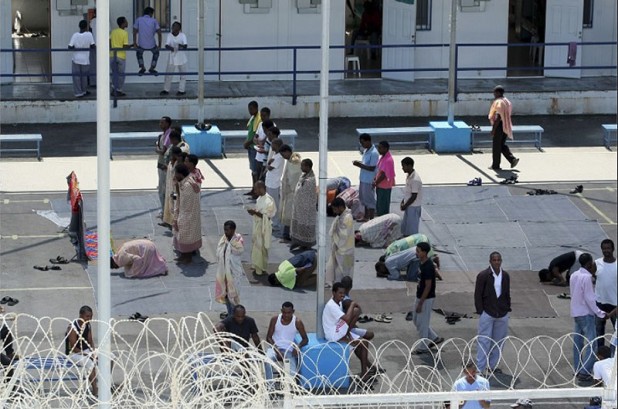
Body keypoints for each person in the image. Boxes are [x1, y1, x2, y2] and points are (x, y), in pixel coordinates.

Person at [322, 282, 376, 382]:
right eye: (340, 293)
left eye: (344, 293)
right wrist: (352, 304)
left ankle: (366, 371)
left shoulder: (338, 302)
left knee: (363, 343)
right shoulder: (332, 305)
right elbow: (346, 318)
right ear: (333, 293)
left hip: (338, 329)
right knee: (354, 312)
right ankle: (365, 372)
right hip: (333, 334)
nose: (342, 295)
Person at [570, 253, 611, 382]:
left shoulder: (574, 275)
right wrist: (600, 313)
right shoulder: (587, 277)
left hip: (576, 314)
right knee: (592, 344)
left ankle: (577, 369)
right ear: (588, 264)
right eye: (592, 263)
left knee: (578, 343)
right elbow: (589, 299)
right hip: (586, 314)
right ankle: (585, 371)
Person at [474, 252, 511, 375]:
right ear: (490, 261)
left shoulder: (505, 276)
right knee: (484, 340)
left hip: (502, 313)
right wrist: (481, 311)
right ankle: (480, 367)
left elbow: (506, 293)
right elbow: (478, 294)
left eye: (498, 260)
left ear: (501, 261)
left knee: (498, 341)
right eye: (494, 260)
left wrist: (507, 308)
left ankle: (492, 365)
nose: (496, 262)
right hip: (488, 313)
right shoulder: (483, 275)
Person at [410, 242, 444, 355]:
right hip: (419, 295)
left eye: (418, 251)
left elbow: (428, 286)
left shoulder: (428, 266)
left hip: (426, 298)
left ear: (424, 252)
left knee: (423, 323)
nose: (416, 252)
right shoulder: (422, 263)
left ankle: (423, 347)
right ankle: (434, 338)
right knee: (416, 319)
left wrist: (421, 303)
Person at [265, 302, 309, 382]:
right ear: (281, 311)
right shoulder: (275, 319)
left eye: (289, 313)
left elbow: (305, 339)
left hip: (288, 350)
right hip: (274, 348)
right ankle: (270, 387)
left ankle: (287, 388)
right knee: (267, 360)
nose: (286, 315)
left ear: (293, 311)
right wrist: (277, 350)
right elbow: (268, 337)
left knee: (291, 373)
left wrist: (298, 347)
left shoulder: (297, 322)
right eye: (284, 312)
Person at [375, 233, 442, 282]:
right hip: (414, 251)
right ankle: (430, 270)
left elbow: (396, 276)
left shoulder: (388, 264)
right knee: (412, 272)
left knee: (411, 277)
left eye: (382, 271)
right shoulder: (388, 257)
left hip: (415, 257)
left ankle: (431, 274)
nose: (384, 272)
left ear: (381, 267)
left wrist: (385, 276)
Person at [172, 163, 203, 264]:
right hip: (187, 213)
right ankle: (183, 255)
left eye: (176, 173)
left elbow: (184, 204)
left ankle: (187, 257)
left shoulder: (187, 186)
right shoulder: (186, 182)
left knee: (186, 235)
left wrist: (178, 218)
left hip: (187, 215)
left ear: (180, 174)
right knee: (182, 235)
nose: (174, 176)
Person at [67, 306, 99, 395]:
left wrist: (93, 352)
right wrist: (87, 354)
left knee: (109, 356)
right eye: (87, 316)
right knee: (90, 363)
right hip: (74, 353)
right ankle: (95, 389)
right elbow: (73, 348)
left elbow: (90, 340)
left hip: (86, 351)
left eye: (91, 316)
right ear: (80, 315)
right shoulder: (72, 327)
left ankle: (107, 383)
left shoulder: (87, 324)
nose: (89, 319)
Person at [215, 220, 244, 318]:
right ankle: (230, 313)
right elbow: (219, 251)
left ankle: (234, 315)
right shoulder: (224, 239)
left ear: (233, 230)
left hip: (233, 273)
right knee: (226, 294)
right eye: (225, 230)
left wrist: (231, 245)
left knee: (233, 295)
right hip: (224, 273)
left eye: (228, 230)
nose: (226, 232)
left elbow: (239, 251)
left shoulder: (238, 240)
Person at [248, 181, 276, 276]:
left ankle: (260, 268)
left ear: (261, 188)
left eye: (256, 189)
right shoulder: (259, 198)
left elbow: (268, 216)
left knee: (261, 248)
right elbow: (259, 211)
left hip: (264, 227)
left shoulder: (269, 201)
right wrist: (253, 211)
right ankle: (256, 265)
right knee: (256, 246)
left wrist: (255, 213)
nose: (254, 191)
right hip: (257, 225)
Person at [325, 197, 355, 287]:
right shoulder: (341, 216)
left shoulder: (348, 218)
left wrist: (336, 238)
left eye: (335, 209)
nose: (334, 212)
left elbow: (344, 235)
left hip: (346, 250)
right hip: (339, 249)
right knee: (337, 271)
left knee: (344, 272)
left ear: (340, 207)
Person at [488, 85, 519, 170]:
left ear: (498, 93)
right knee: (501, 145)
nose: (493, 94)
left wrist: (493, 129)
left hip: (499, 126)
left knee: (496, 146)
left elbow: (498, 117)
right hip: (506, 125)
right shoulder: (507, 101)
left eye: (494, 92)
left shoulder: (499, 102)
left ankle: (495, 165)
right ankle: (512, 160)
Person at [290, 159, 317, 250]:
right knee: (297, 225)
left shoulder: (311, 180)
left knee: (305, 225)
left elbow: (305, 193)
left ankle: (306, 244)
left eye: (303, 166)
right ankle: (297, 241)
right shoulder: (303, 176)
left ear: (308, 167)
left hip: (306, 209)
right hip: (299, 207)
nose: (301, 167)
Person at [595, 239, 617, 348]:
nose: (606, 250)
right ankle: (599, 356)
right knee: (598, 333)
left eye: (608, 248)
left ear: (613, 249)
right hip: (599, 304)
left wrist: (612, 312)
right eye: (604, 248)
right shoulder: (596, 263)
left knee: (616, 332)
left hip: (614, 305)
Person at [278, 145, 302, 243]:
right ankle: (287, 235)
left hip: (293, 193)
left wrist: (291, 189)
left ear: (287, 151)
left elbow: (294, 177)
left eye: (283, 154)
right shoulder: (289, 160)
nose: (283, 157)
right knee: (288, 215)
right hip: (288, 192)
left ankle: (289, 235)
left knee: (290, 215)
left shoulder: (295, 162)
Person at [353, 133, 378, 221]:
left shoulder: (374, 153)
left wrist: (359, 165)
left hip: (369, 180)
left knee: (370, 200)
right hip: (363, 178)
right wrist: (359, 162)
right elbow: (365, 163)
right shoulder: (365, 151)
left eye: (363, 142)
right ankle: (366, 217)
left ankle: (372, 219)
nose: (362, 145)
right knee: (364, 199)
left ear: (368, 141)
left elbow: (372, 167)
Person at [68, 20, 95, 98]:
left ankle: (78, 93)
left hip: (76, 59)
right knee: (84, 77)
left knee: (76, 77)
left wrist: (77, 47)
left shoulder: (75, 35)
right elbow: (93, 46)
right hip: (85, 59)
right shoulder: (89, 35)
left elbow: (70, 47)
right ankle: (83, 91)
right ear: (87, 27)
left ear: (79, 26)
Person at [160, 21, 188, 96]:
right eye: (173, 26)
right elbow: (166, 45)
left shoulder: (182, 35)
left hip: (181, 57)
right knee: (168, 74)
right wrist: (171, 48)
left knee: (183, 75)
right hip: (172, 57)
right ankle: (166, 90)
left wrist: (179, 46)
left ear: (179, 28)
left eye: (175, 26)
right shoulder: (169, 35)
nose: (173, 27)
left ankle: (181, 90)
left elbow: (185, 46)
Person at [133, 7, 162, 76]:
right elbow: (159, 33)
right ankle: (152, 67)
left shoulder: (139, 20)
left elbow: (134, 32)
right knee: (156, 53)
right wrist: (159, 45)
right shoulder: (154, 21)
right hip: (152, 44)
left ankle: (142, 67)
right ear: (150, 13)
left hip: (141, 44)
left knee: (139, 54)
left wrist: (135, 44)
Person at [265, 138, 284, 233]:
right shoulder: (275, 155)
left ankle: (276, 223)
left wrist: (268, 163)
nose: (271, 146)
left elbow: (269, 167)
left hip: (274, 184)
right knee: (270, 203)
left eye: (273, 144)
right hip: (270, 183)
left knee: (274, 204)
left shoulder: (279, 157)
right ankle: (271, 221)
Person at [400, 157, 423, 236]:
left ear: (409, 166)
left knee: (412, 229)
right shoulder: (409, 176)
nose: (402, 168)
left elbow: (414, 196)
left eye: (403, 166)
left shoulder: (415, 179)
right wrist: (403, 201)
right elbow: (408, 192)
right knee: (406, 227)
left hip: (413, 207)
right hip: (409, 206)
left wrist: (405, 205)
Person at [109, 16, 131, 97]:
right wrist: (131, 45)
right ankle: (119, 90)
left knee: (114, 73)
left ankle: (113, 89)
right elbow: (125, 47)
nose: (127, 23)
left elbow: (109, 42)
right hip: (121, 56)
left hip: (112, 55)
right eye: (126, 21)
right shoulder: (124, 33)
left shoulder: (113, 32)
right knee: (121, 75)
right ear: (123, 23)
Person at [155, 116, 173, 217]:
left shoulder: (168, 134)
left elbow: (163, 151)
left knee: (163, 189)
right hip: (161, 165)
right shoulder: (163, 135)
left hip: (164, 166)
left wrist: (157, 149)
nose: (160, 124)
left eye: (162, 123)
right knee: (163, 188)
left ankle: (165, 212)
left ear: (167, 124)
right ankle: (165, 211)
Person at [243, 101, 261, 196]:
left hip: (254, 147)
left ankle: (257, 190)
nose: (250, 111)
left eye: (251, 109)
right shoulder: (253, 118)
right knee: (252, 170)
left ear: (256, 108)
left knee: (255, 171)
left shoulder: (259, 119)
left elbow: (256, 134)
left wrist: (248, 142)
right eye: (249, 109)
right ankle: (253, 188)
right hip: (250, 147)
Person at [162, 146, 183, 227]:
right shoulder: (171, 163)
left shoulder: (179, 164)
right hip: (169, 187)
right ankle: (170, 222)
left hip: (175, 189)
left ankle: (176, 223)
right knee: (170, 205)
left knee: (176, 206)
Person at [373, 141, 395, 217]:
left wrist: (375, 182)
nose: (378, 150)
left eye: (380, 148)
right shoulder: (383, 157)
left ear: (385, 149)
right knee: (379, 204)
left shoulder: (388, 160)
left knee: (383, 205)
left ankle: (383, 219)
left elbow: (384, 174)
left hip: (384, 187)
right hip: (380, 185)